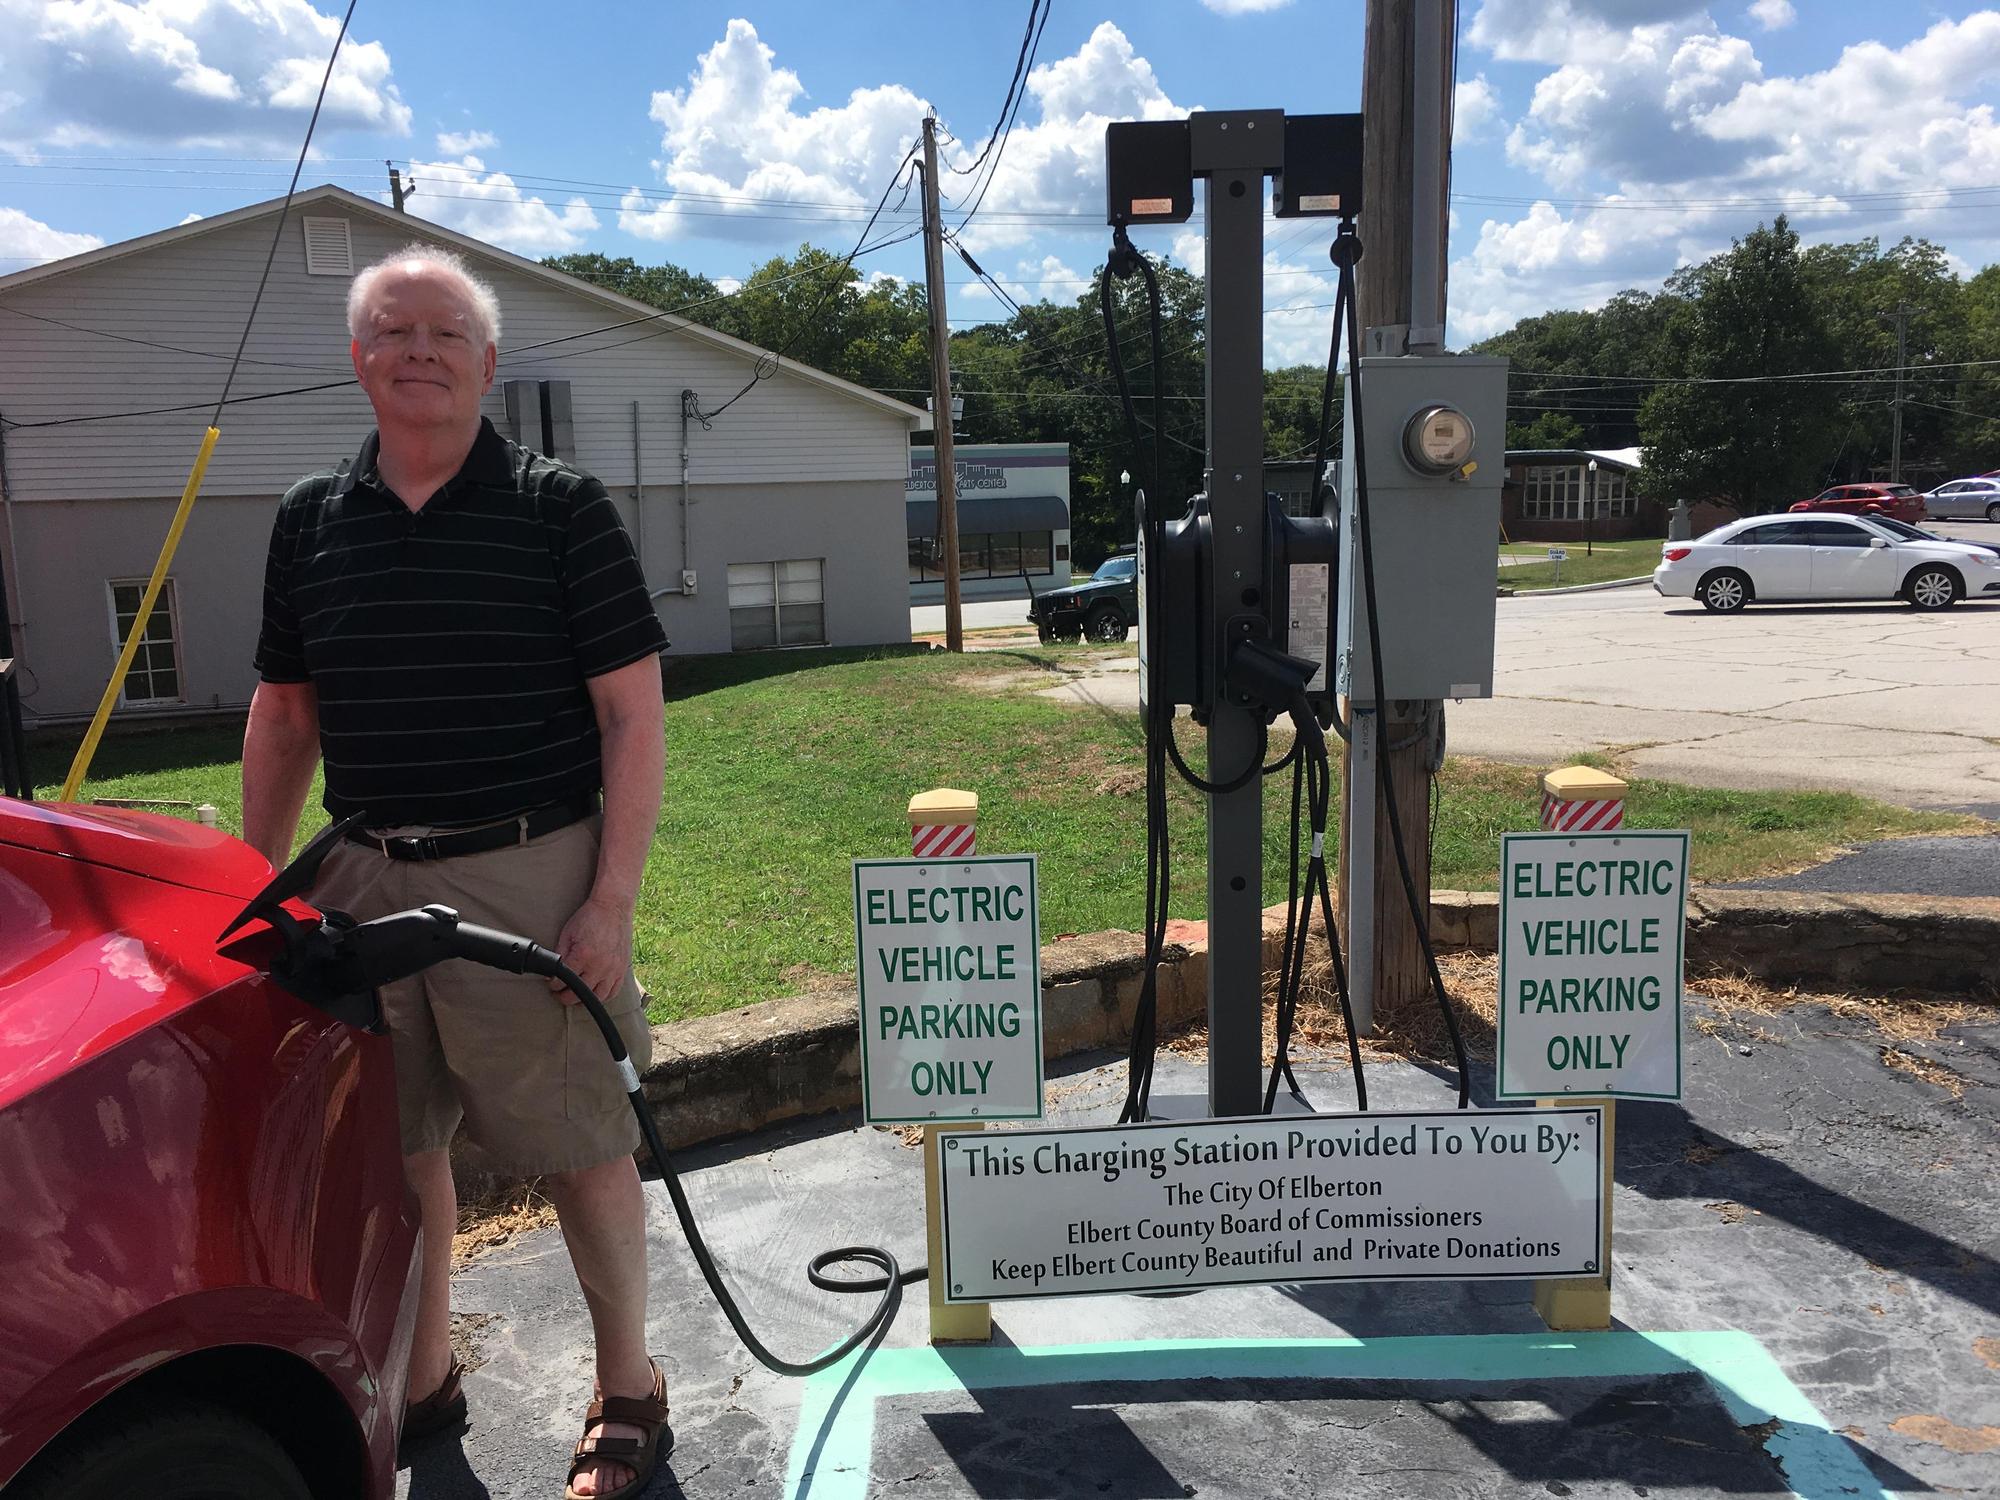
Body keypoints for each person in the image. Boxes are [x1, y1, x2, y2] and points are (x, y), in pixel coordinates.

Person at [242, 242, 670, 1500]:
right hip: (361, 883)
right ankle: (422, 1382)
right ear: (357, 358)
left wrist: (611, 904)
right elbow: (281, 716)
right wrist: (245, 885)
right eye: (392, 330)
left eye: (443, 334)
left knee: (582, 1143)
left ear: (485, 364)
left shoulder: (558, 507)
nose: (417, 350)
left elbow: (633, 719)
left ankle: (629, 1387)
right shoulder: (308, 520)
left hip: (529, 873)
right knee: (398, 1145)